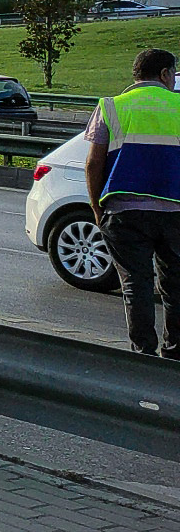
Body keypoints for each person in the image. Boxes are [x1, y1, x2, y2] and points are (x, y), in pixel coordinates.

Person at [85, 48, 180, 357]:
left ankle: (143, 354)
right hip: (176, 213)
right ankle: (175, 352)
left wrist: (98, 210)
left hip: (124, 213)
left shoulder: (111, 107)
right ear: (165, 74)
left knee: (136, 286)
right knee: (176, 287)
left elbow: (93, 164)